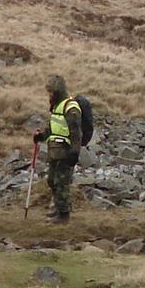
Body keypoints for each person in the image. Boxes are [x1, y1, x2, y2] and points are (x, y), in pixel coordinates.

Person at [35, 74, 92, 222]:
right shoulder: (57, 107)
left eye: (51, 92)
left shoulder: (71, 108)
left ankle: (64, 215)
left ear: (57, 91)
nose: (49, 95)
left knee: (61, 183)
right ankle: (59, 209)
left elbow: (76, 133)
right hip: (55, 151)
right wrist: (42, 136)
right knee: (52, 181)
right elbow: (53, 127)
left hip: (66, 152)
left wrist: (75, 152)